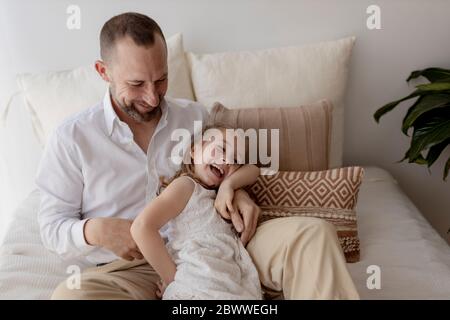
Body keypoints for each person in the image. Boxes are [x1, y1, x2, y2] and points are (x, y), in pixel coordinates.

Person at [39, 12, 359, 299]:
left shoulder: (194, 118)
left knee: (312, 234)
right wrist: (95, 230)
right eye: (136, 84)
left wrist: (234, 188)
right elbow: (51, 227)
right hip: (131, 268)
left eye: (161, 79)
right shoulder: (72, 138)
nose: (152, 97)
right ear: (103, 71)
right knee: (71, 295)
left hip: (218, 249)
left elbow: (225, 163)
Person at [131, 126, 263, 299]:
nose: (227, 160)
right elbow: (141, 227)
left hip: (227, 282)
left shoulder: (219, 195)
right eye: (222, 148)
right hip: (196, 283)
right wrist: (172, 280)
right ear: (194, 151)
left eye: (235, 160)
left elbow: (254, 170)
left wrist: (228, 185)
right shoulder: (186, 186)